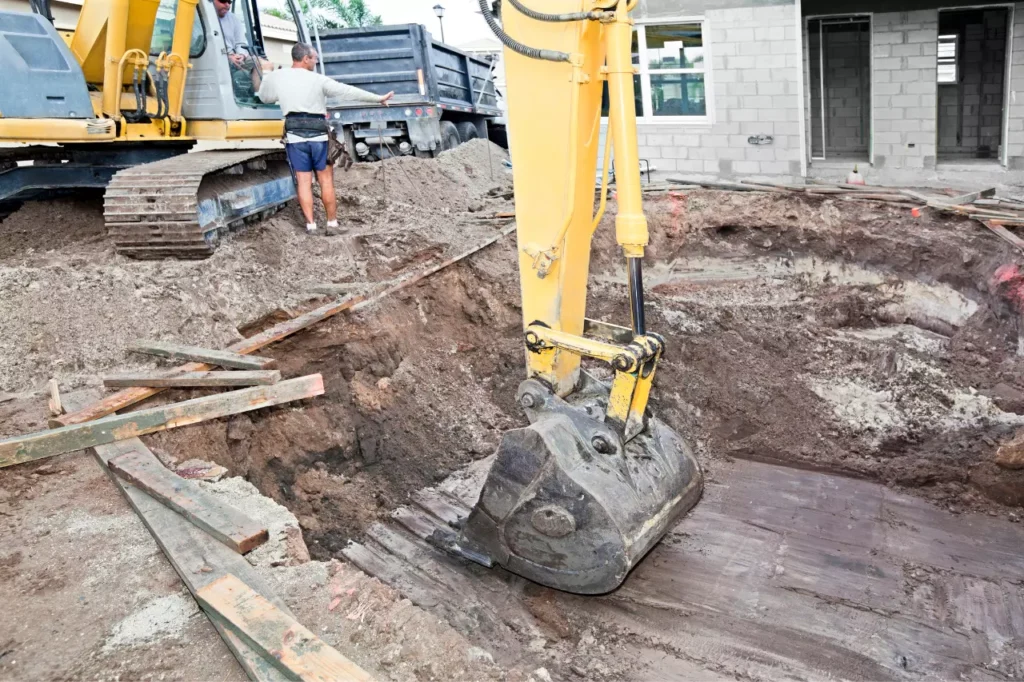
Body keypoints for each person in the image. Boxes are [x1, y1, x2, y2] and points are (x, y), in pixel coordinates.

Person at [258, 43, 393, 234]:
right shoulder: (318, 80)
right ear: (305, 58)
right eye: (314, 58)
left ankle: (311, 226)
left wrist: (266, 73)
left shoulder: (277, 77)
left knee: (303, 181)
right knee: (326, 180)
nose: (316, 61)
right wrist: (378, 99)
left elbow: (265, 98)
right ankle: (332, 225)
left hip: (294, 134)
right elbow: (347, 91)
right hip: (318, 133)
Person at [212, 0, 270, 99]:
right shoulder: (201, 18)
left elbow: (240, 43)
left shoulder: (233, 19)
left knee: (265, 64)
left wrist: (241, 55)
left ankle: (258, 98)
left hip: (235, 55)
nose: (227, 5)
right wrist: (228, 56)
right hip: (215, 57)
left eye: (229, 2)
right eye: (223, 1)